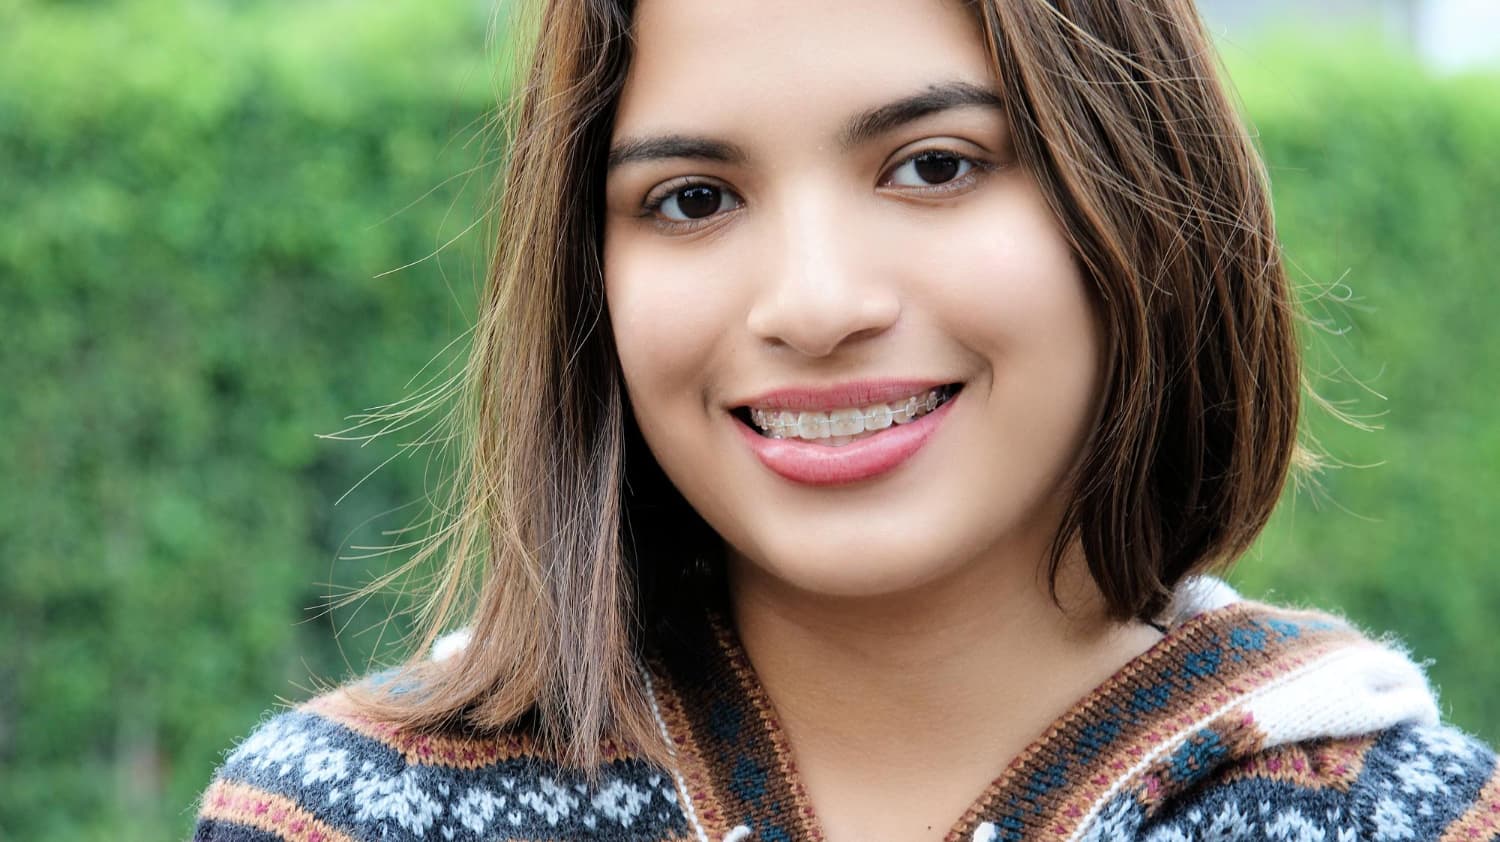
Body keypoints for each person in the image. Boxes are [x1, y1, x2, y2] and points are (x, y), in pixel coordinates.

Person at [192, 0, 1499, 839]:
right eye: (694, 197)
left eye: (936, 166)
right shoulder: (357, 814)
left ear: (1147, 196)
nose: (814, 305)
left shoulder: (1401, 818)